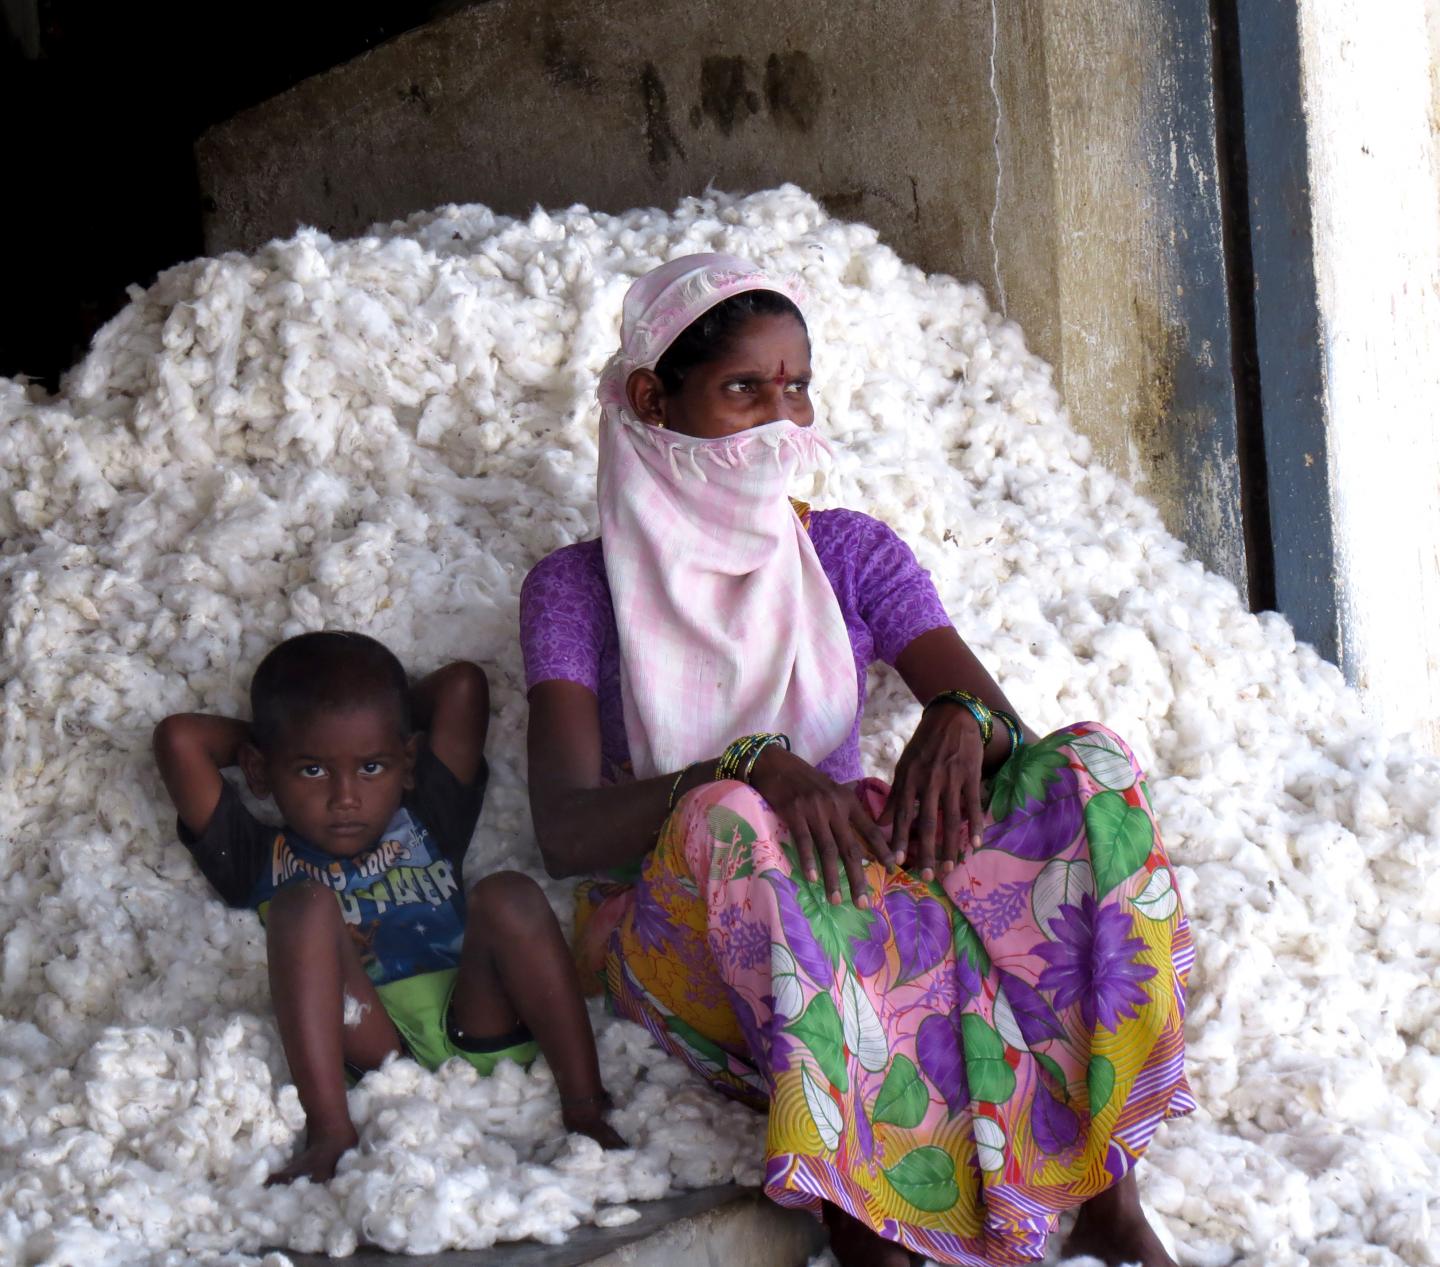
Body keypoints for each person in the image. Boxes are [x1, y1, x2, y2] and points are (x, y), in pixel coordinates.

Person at [519, 255, 1193, 1266]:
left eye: (795, 388)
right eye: (744, 390)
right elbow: (566, 832)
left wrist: (961, 719)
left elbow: (1010, 735)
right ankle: (865, 1223)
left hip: (857, 881)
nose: (780, 419)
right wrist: (746, 764)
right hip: (691, 931)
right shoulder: (577, 588)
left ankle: (1106, 1190)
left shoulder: (846, 552)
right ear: (654, 399)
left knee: (1089, 765)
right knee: (727, 819)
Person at [153, 631, 623, 1185]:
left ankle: (585, 1104)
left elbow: (462, 687)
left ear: (408, 761)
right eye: (312, 770)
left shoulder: (426, 819)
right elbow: (178, 739)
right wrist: (286, 736)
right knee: (302, 906)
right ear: (259, 771)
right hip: (370, 1042)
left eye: (371, 767)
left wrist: (360, 727)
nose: (345, 797)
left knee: (509, 893)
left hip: (476, 1016)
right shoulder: (257, 857)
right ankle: (330, 1131)